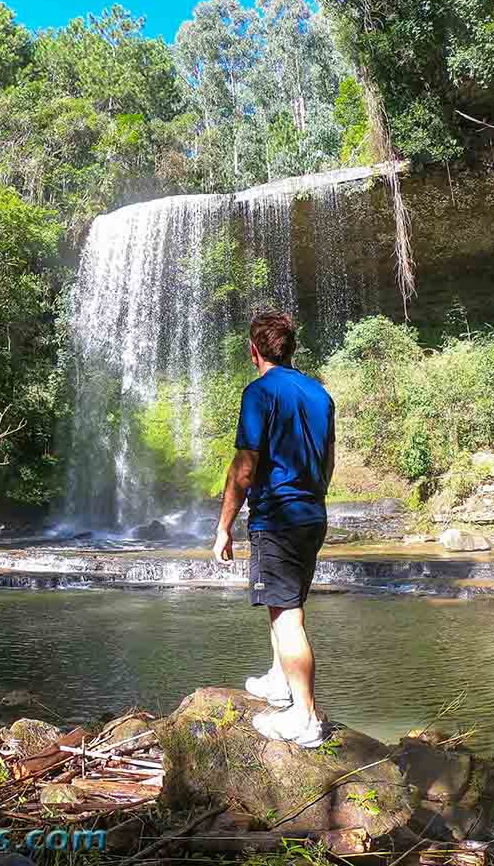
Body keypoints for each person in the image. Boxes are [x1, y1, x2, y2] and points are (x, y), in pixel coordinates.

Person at [212, 311, 335, 748]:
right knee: (284, 604)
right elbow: (328, 458)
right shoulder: (320, 393)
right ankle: (279, 681)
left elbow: (245, 467)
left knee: (286, 616)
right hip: (311, 513)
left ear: (254, 350)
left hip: (277, 517)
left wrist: (224, 526)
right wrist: (313, 494)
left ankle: (305, 716)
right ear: (291, 349)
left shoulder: (259, 393)